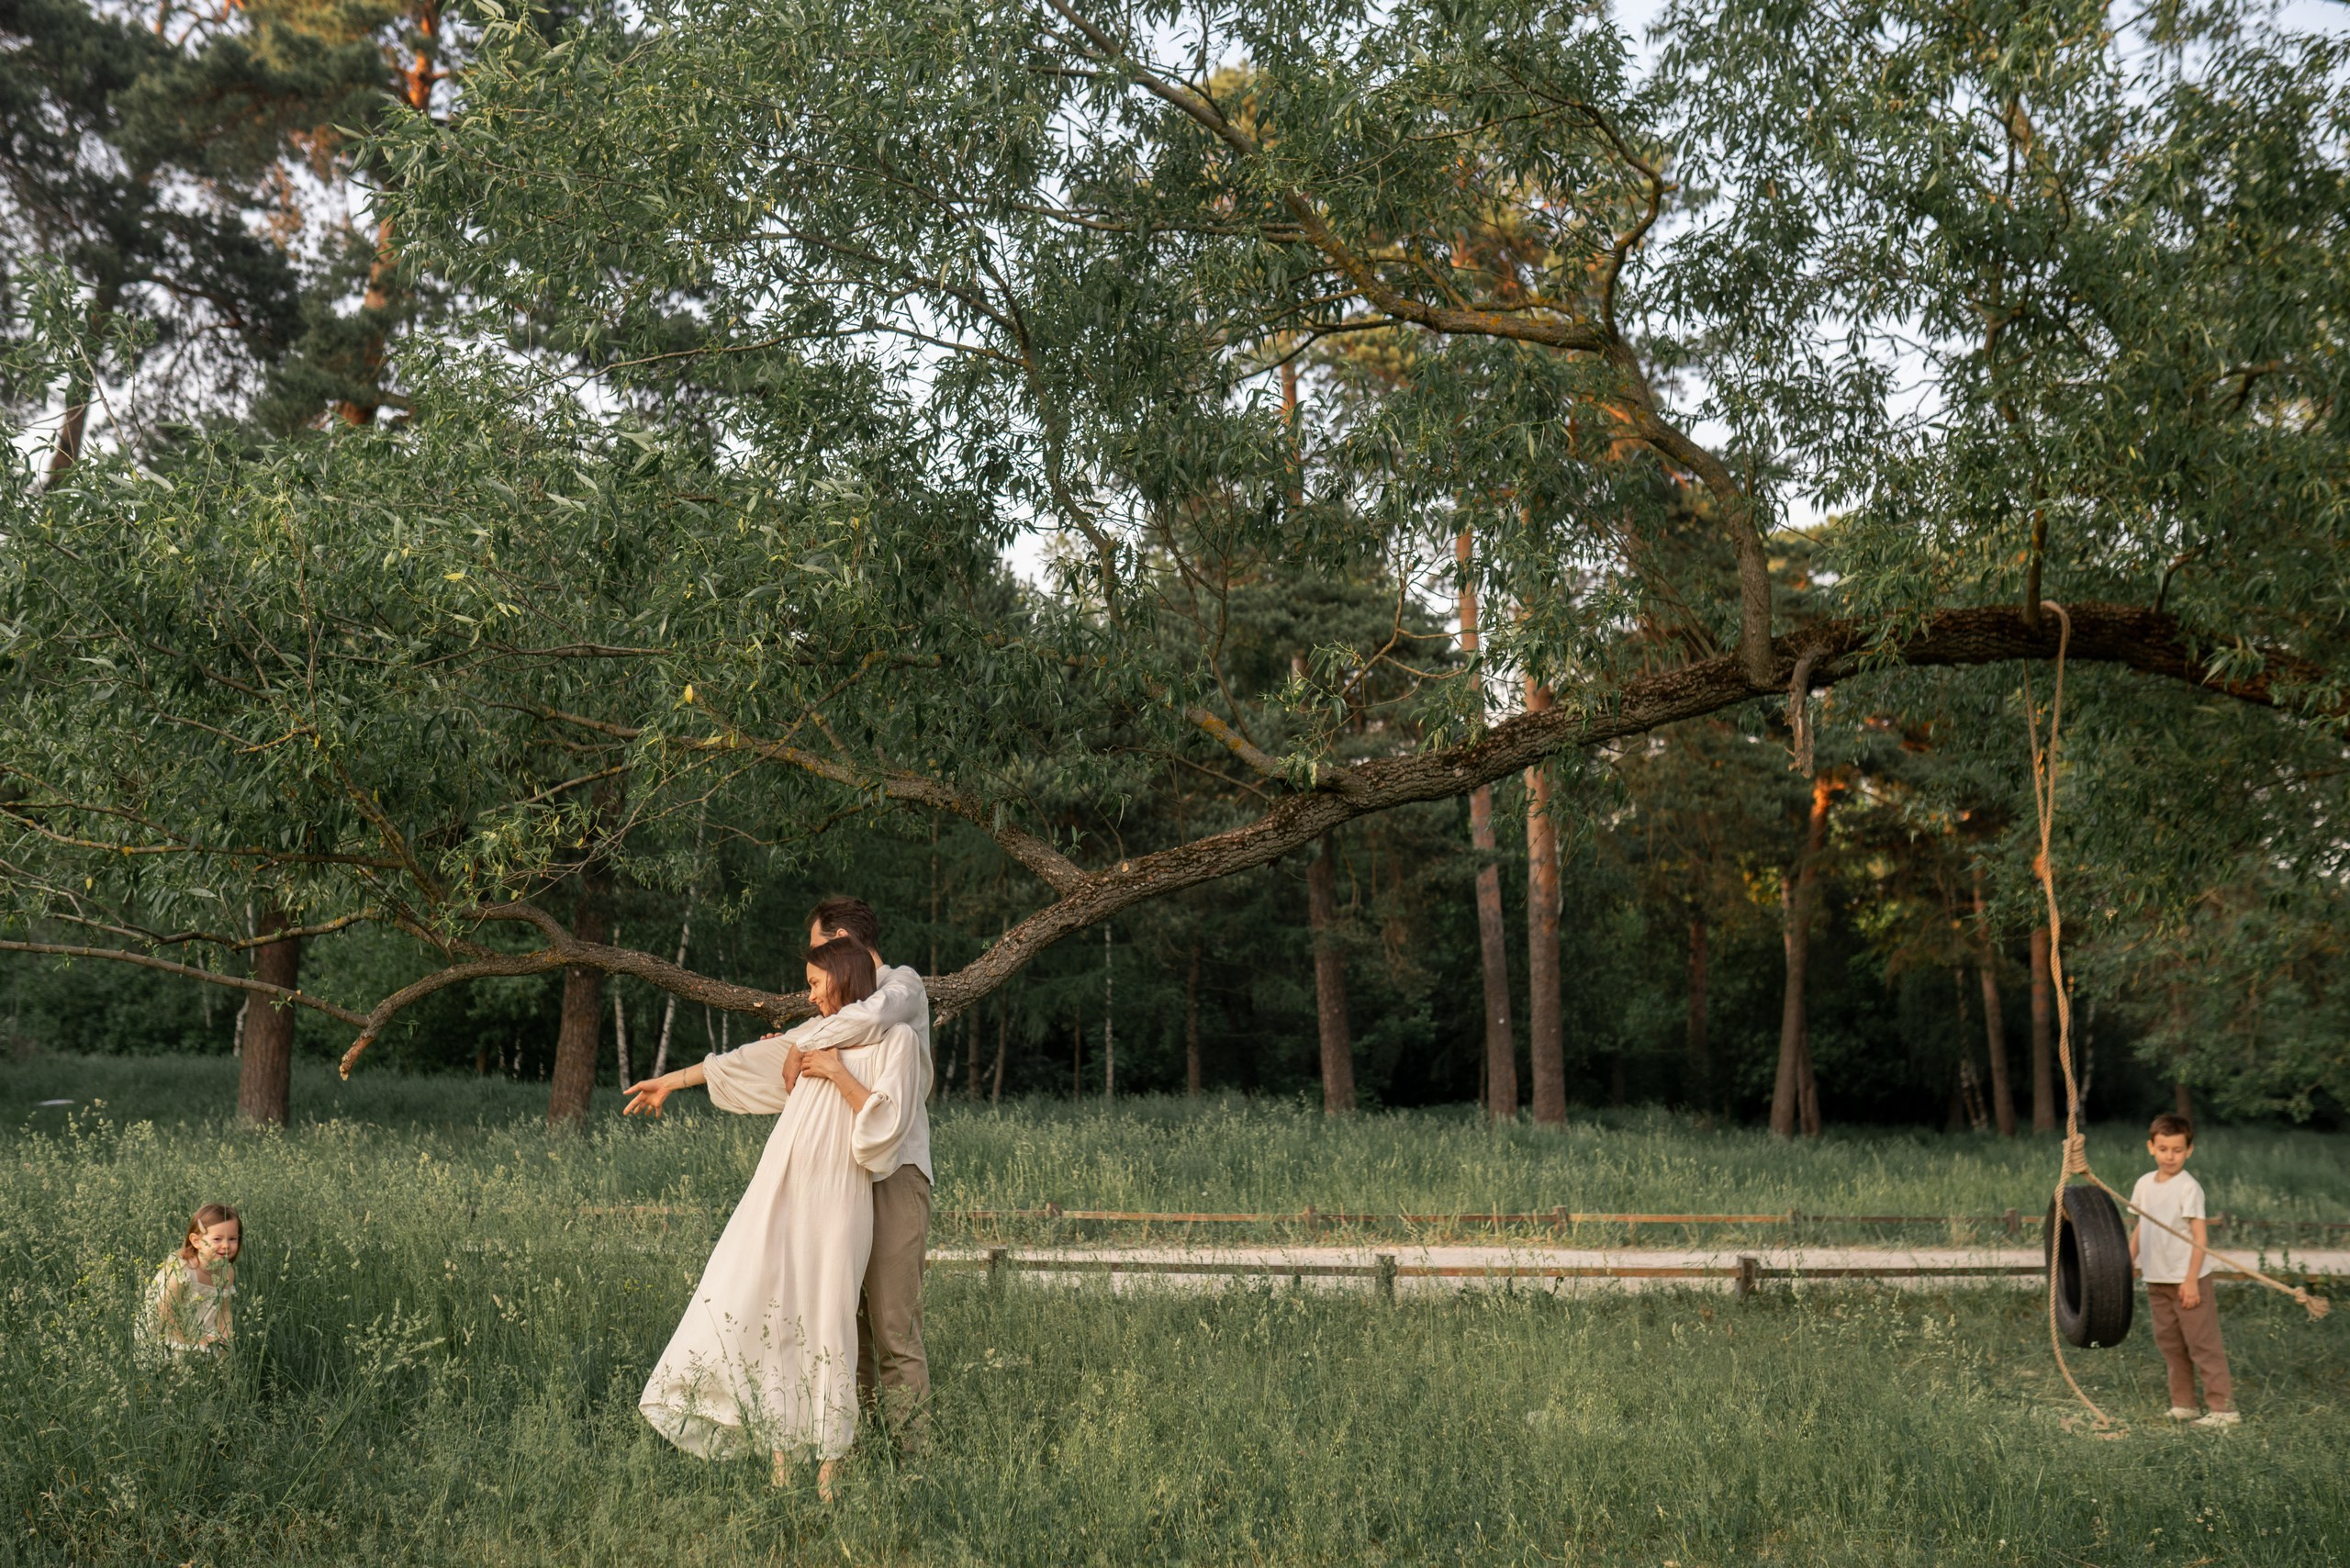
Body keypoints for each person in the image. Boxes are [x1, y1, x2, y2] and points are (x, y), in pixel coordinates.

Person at [625, 938, 925, 1495]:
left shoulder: (895, 1037)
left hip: (840, 1195)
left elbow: (887, 1124)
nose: (810, 998)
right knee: (773, 1307)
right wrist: (673, 1079)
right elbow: (752, 1064)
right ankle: (782, 1469)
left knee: (831, 1314)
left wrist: (835, 1071)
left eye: (815, 983)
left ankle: (833, 1471)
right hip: (783, 1184)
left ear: (843, 972)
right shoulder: (811, 1035)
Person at [780, 895, 935, 1451]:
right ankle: (866, 1447)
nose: (818, 970)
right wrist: (683, 1079)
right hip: (845, 1176)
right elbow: (771, 1057)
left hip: (896, 1170)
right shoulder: (835, 1016)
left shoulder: (902, 987)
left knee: (893, 1323)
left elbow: (868, 1020)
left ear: (843, 939)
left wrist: (804, 1044)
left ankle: (915, 1456)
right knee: (850, 1319)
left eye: (822, 950)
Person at [2130, 1112, 2237, 1428]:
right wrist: (2127, 1261)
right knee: (2171, 1344)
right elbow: (2139, 1228)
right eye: (2163, 1149)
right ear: (2151, 1147)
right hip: (2157, 1278)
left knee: (2203, 1345)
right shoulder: (2143, 1185)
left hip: (2188, 1281)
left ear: (2189, 1150)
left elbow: (2200, 1238)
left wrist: (2191, 1281)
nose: (2170, 1157)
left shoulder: (2189, 1188)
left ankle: (2224, 1410)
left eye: (2177, 1150)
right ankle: (2184, 1404)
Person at [141, 1203, 241, 1358]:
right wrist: (191, 1341)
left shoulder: (226, 1271)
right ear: (196, 1241)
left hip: (202, 1326)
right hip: (170, 1329)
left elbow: (224, 1309)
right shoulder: (182, 1271)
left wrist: (225, 1339)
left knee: (217, 1365)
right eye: (217, 1239)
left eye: (233, 1239)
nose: (226, 1245)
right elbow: (166, 1311)